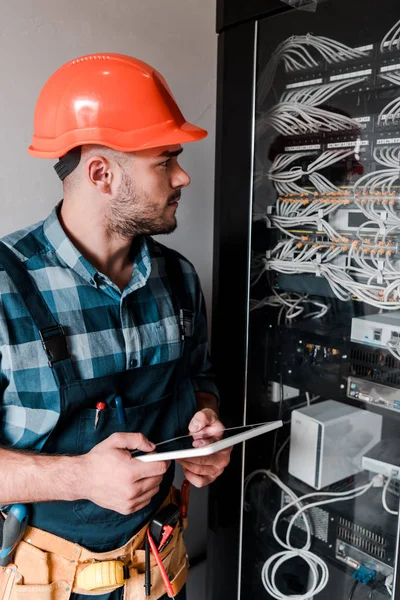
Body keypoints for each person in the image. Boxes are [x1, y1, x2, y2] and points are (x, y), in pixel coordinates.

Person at [0, 53, 231, 600]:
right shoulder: (6, 284)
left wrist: (207, 424)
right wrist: (81, 477)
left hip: (157, 567)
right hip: (42, 582)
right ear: (102, 172)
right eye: (165, 159)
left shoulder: (178, 277)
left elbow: (200, 377)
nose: (183, 176)